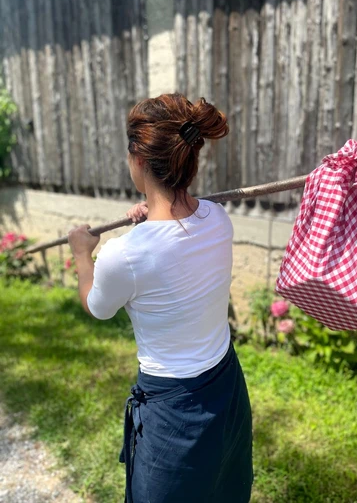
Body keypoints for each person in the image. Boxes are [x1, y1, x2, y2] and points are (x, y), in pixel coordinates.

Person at [68, 93, 253, 503]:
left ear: (138, 159)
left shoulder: (125, 254)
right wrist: (150, 212)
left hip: (174, 412)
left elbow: (96, 306)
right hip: (226, 387)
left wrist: (82, 252)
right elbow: (175, 233)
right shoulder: (218, 219)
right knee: (226, 490)